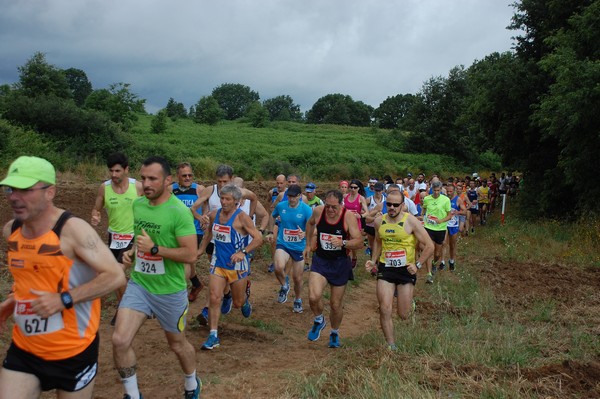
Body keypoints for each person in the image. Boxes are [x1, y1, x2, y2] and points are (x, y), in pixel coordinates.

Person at [0, 156, 126, 399]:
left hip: (73, 353)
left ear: (50, 192)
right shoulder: (11, 231)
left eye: (25, 189)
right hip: (26, 349)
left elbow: (115, 276)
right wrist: (13, 300)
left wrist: (63, 299)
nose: (15, 197)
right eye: (10, 189)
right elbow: (32, 276)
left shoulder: (72, 231)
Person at [112, 156, 201, 399]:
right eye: (143, 178)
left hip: (170, 291)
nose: (146, 183)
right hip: (139, 285)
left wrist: (154, 249)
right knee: (120, 340)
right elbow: (138, 238)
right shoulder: (138, 205)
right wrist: (131, 252)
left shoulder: (179, 213)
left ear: (168, 180)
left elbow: (191, 254)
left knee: (177, 345)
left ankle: (192, 382)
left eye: (153, 178)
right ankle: (132, 394)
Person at [365, 190, 433, 350]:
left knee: (403, 314)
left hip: (406, 270)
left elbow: (429, 246)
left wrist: (418, 265)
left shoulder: (411, 222)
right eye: (389, 204)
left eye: (396, 205)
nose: (392, 207)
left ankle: (409, 303)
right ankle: (391, 345)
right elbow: (378, 242)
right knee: (385, 308)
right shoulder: (379, 222)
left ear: (402, 205)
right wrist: (373, 261)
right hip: (386, 268)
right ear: (385, 204)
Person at [198, 184, 263, 350]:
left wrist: (243, 252)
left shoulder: (242, 218)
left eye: (227, 199)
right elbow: (209, 233)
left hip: (237, 265)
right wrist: (200, 249)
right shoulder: (214, 214)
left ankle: (245, 300)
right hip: (218, 263)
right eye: (222, 198)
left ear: (236, 202)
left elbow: (258, 238)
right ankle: (213, 335)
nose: (224, 202)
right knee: (214, 298)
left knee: (238, 303)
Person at [305, 190, 363, 348]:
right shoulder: (318, 212)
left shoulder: (347, 216)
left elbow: (359, 241)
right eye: (328, 206)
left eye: (334, 207)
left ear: (341, 205)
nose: (330, 210)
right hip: (321, 261)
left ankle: (334, 332)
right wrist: (308, 244)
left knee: (335, 304)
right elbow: (310, 224)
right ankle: (318, 320)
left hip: (340, 263)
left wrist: (343, 243)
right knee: (313, 296)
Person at [90, 152, 143, 325]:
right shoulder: (104, 188)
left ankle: (127, 310)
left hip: (133, 238)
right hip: (113, 237)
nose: (114, 175)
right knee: (116, 276)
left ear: (126, 170)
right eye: (111, 171)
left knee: (118, 272)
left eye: (118, 171)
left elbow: (151, 207)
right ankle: (124, 307)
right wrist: (95, 216)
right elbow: (96, 208)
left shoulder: (138, 187)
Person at [267, 184, 313, 313]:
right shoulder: (281, 206)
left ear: (300, 196)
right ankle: (284, 285)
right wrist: (270, 232)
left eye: (293, 196)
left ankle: (298, 299)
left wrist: (305, 234)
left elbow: (314, 227)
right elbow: (272, 215)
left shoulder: (306, 210)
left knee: (297, 278)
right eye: (289, 196)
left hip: (299, 246)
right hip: (283, 243)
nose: (291, 199)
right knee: (278, 267)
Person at [171, 162, 205, 302]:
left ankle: (178, 295)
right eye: (184, 175)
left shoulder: (199, 189)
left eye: (190, 175)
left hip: (194, 232)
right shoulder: (171, 190)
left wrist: (205, 219)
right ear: (178, 176)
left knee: (184, 261)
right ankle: (196, 284)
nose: (187, 177)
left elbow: (207, 205)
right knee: (183, 262)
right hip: (175, 231)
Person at [421, 181, 452, 284]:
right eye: (434, 190)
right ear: (431, 190)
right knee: (429, 249)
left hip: (440, 228)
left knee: (437, 253)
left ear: (441, 190)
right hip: (428, 227)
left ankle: (434, 263)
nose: (436, 192)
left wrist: (441, 221)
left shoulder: (446, 200)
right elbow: (424, 210)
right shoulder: (427, 199)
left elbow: (449, 215)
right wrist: (422, 218)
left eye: (438, 190)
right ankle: (429, 274)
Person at [343, 179, 368, 267]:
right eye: (351, 187)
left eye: (355, 187)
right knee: (345, 239)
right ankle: (346, 256)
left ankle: (354, 257)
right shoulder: (345, 196)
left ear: (358, 188)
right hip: (345, 221)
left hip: (355, 222)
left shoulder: (361, 198)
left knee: (353, 240)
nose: (353, 189)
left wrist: (360, 216)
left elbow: (367, 212)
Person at [444, 184, 466, 272]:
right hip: (444, 225)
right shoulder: (444, 199)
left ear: (454, 191)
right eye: (447, 191)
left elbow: (465, 211)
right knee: (443, 243)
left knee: (452, 245)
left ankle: (452, 261)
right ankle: (442, 262)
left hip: (453, 225)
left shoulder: (458, 199)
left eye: (450, 191)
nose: (449, 193)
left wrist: (458, 212)